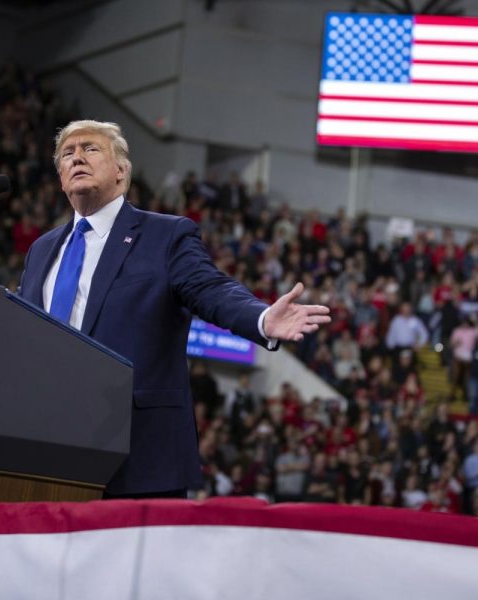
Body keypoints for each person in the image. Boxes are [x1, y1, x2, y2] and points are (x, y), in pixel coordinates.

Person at [17, 120, 330, 498]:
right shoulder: (41, 250)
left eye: (90, 148)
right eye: (68, 154)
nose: (77, 157)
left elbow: (210, 288)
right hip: (46, 450)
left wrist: (260, 318)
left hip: (135, 453)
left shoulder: (165, 236)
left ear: (121, 170)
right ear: (61, 177)